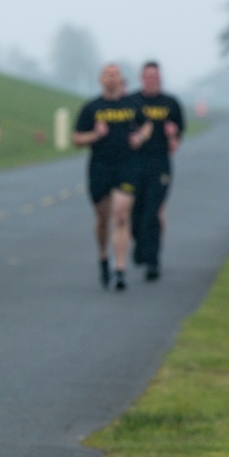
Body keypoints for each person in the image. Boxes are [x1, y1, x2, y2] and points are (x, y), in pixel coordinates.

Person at [72, 64, 152, 291]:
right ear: (100, 79)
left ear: (120, 79)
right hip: (100, 167)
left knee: (121, 215)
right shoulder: (92, 108)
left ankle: (119, 270)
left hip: (127, 166)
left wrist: (140, 138)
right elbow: (76, 139)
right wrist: (96, 135)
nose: (111, 78)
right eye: (107, 74)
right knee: (102, 218)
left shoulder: (132, 105)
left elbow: (147, 126)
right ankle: (102, 258)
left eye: (115, 74)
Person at [127, 61, 185, 281]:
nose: (151, 79)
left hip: (160, 163)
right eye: (147, 76)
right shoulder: (132, 102)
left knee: (153, 210)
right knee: (137, 211)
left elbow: (176, 143)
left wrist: (172, 135)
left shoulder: (171, 104)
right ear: (142, 78)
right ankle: (139, 243)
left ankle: (152, 261)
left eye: (155, 76)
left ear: (160, 78)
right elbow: (128, 137)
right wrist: (140, 135)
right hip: (135, 163)